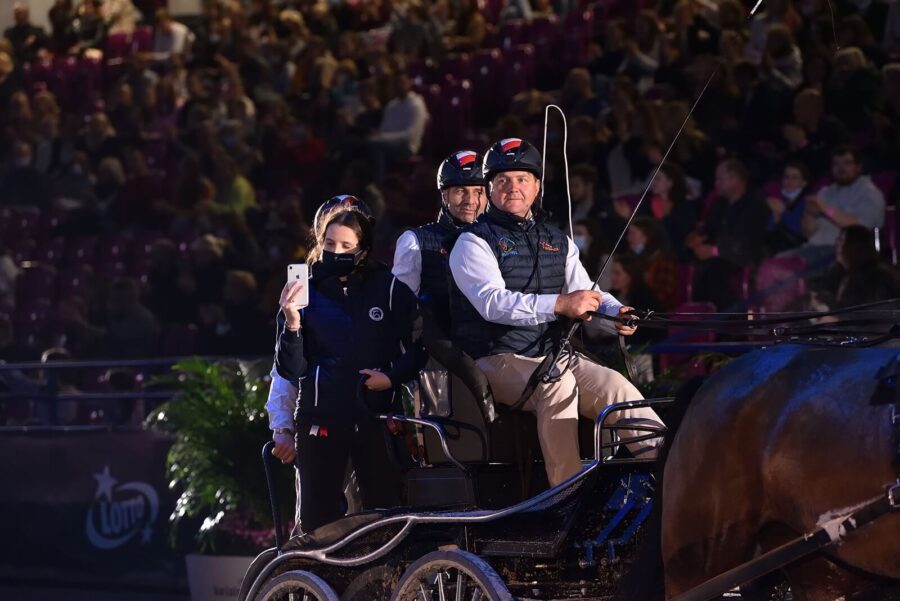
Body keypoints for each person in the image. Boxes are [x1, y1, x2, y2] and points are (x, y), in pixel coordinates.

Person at [448, 138, 663, 487]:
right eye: (502, 181)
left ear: (536, 186)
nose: (513, 188)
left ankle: (672, 470)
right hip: (494, 357)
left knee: (616, 388)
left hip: (551, 354)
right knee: (556, 385)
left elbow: (586, 290)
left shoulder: (557, 239)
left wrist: (615, 313)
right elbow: (492, 303)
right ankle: (566, 495)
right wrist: (561, 305)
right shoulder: (473, 242)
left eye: (521, 179)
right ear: (489, 189)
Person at [266, 197, 425, 535]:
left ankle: (382, 585)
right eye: (329, 243)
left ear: (363, 248)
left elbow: (418, 348)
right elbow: (288, 371)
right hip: (320, 422)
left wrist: (391, 377)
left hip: (375, 418)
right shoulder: (303, 288)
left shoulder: (389, 287)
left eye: (346, 245)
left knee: (385, 520)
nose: (336, 252)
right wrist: (292, 322)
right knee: (318, 526)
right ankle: (321, 585)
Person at [392, 149, 487, 336]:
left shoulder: (501, 239)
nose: (470, 200)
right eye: (461, 191)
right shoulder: (415, 241)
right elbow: (400, 308)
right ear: (445, 195)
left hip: (490, 352)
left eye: (478, 192)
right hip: (437, 354)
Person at [797, 146, 885, 273]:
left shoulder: (869, 193)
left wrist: (826, 209)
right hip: (813, 248)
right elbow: (808, 233)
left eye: (847, 163)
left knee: (779, 271)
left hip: (845, 254)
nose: (841, 168)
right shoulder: (825, 192)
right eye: (836, 164)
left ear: (858, 167)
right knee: (775, 263)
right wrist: (808, 213)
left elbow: (861, 228)